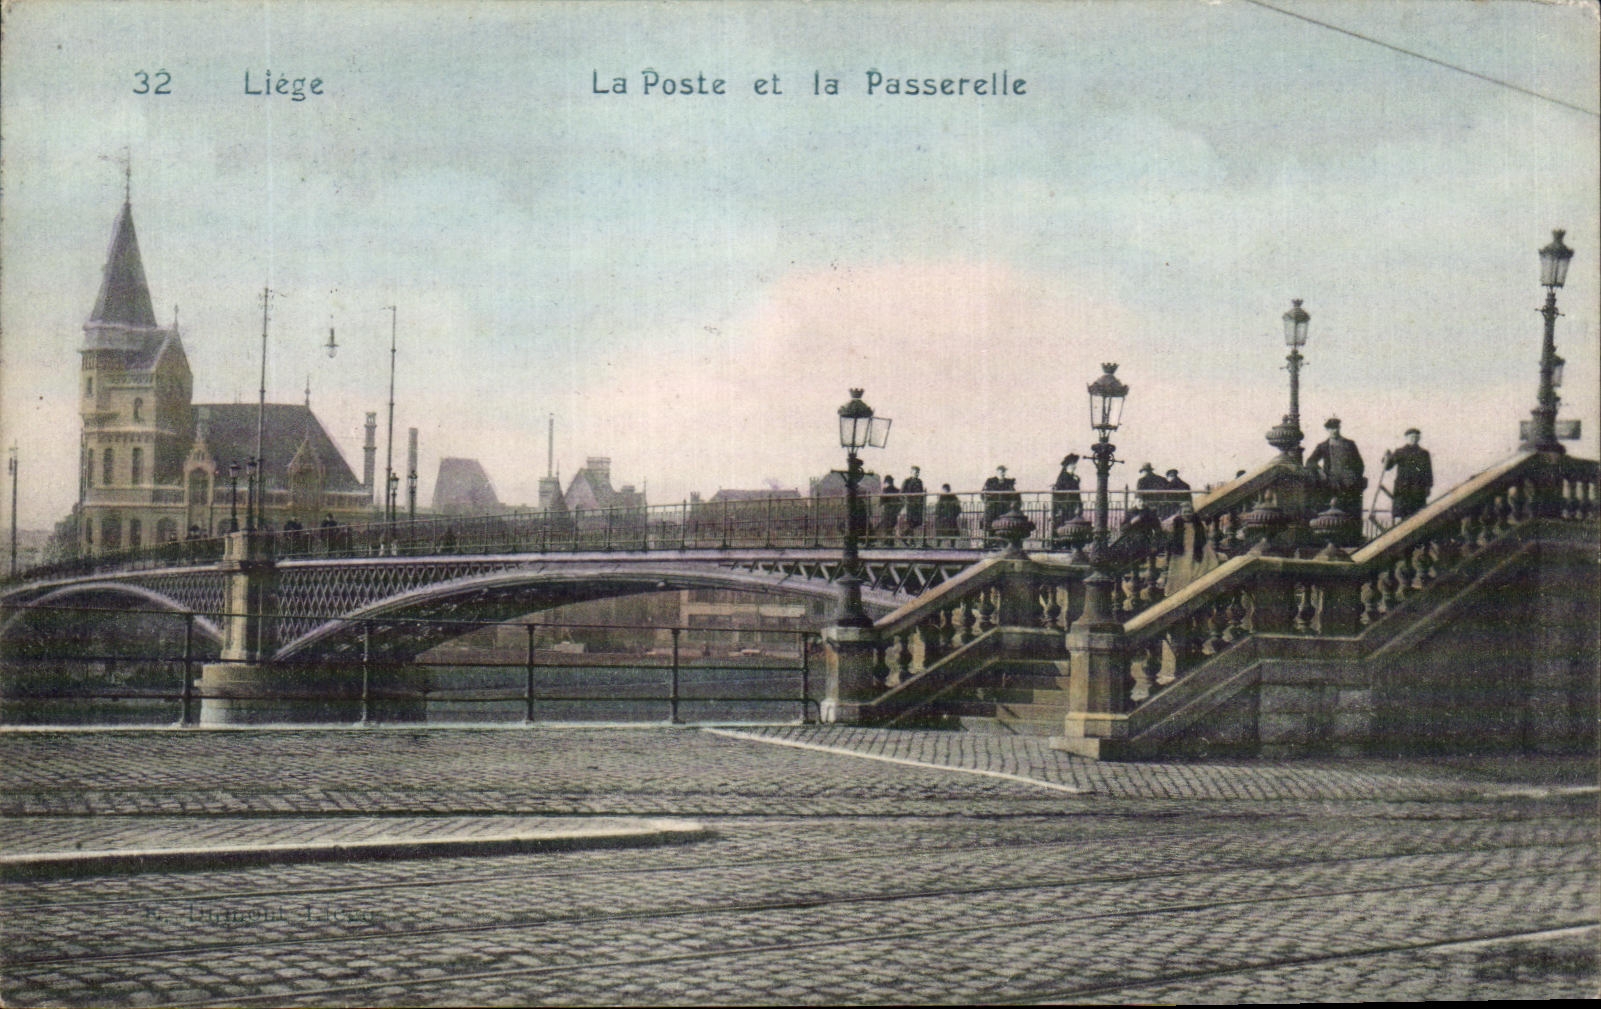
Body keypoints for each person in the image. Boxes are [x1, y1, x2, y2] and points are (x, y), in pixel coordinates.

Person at [1306, 416, 1366, 516]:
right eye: (1331, 428)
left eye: (1336, 427)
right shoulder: (1323, 446)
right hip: (1331, 485)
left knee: (1349, 515)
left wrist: (1354, 477)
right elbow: (1310, 462)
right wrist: (1320, 472)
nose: (1334, 430)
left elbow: (1360, 464)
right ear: (1327, 430)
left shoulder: (1350, 444)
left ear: (1339, 428)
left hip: (1349, 486)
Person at [1382, 427, 1433, 523]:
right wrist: (1386, 458)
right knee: (1403, 515)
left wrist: (1428, 487)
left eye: (1416, 437)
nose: (1414, 439)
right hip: (1403, 489)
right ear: (1406, 438)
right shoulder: (1400, 451)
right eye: (1412, 437)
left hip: (1418, 489)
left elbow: (1428, 472)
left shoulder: (1423, 453)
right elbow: (1388, 466)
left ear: (1419, 438)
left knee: (1418, 515)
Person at [1051, 454, 1083, 538]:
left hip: (1071, 505)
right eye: (1073, 464)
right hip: (1065, 506)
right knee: (1065, 525)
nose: (1075, 466)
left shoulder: (1071, 477)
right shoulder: (1063, 477)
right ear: (1067, 466)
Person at [900, 466, 926, 542]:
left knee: (919, 522)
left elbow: (921, 493)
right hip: (910, 504)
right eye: (915, 472)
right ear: (911, 472)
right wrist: (905, 502)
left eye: (918, 472)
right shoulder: (907, 481)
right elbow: (901, 493)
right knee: (911, 522)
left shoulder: (920, 481)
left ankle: (904, 535)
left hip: (918, 505)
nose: (916, 474)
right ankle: (911, 540)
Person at [982, 466, 1009, 532]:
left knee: (1004, 525)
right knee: (989, 523)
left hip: (1004, 507)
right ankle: (989, 538)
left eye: (1004, 472)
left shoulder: (1008, 482)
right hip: (993, 507)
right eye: (1001, 472)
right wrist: (987, 501)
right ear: (997, 472)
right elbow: (984, 493)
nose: (1002, 474)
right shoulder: (990, 481)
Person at [876, 475, 902, 545]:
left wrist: (881, 506)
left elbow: (881, 502)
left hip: (887, 510)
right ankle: (890, 541)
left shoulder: (885, 490)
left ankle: (887, 541)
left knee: (887, 526)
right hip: (895, 511)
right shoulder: (897, 490)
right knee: (892, 525)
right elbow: (901, 501)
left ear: (886, 482)